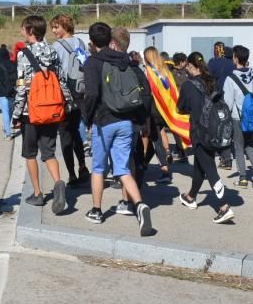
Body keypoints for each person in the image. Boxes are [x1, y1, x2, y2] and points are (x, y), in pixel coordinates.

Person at [81, 21, 155, 236]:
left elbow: (92, 94)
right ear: (110, 40)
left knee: (98, 167)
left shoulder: (93, 62)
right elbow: (144, 91)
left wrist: (88, 119)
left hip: (104, 121)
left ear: (92, 42)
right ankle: (139, 204)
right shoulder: (128, 60)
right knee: (122, 167)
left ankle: (96, 210)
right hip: (126, 121)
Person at [12, 15, 68, 214]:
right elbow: (61, 80)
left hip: (31, 112)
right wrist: (66, 105)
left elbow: (21, 88)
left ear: (29, 30)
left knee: (30, 154)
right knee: (49, 152)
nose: (21, 32)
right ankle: (59, 182)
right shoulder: (52, 51)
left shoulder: (22, 54)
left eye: (22, 29)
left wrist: (15, 115)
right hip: (52, 109)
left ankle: (38, 193)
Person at [176, 52, 235, 224]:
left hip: (199, 133)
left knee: (210, 169)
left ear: (191, 66)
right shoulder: (212, 81)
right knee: (200, 166)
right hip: (215, 132)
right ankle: (191, 196)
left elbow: (181, 107)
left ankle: (224, 206)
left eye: (187, 65)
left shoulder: (188, 86)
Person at [50, 14, 89, 187]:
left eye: (56, 27)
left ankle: (71, 174)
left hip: (63, 95)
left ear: (64, 26)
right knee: (76, 133)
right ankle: (82, 166)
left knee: (65, 135)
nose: (53, 30)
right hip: (80, 93)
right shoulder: (81, 43)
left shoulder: (56, 46)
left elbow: (53, 71)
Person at [223, 45, 253, 188]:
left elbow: (228, 103)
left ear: (235, 58)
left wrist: (224, 120)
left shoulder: (231, 78)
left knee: (238, 147)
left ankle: (243, 178)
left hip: (238, 118)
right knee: (250, 144)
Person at [141, 46, 175, 185]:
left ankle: (165, 170)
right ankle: (143, 165)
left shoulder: (148, 72)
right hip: (164, 110)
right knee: (156, 135)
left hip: (152, 110)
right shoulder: (165, 71)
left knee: (155, 140)